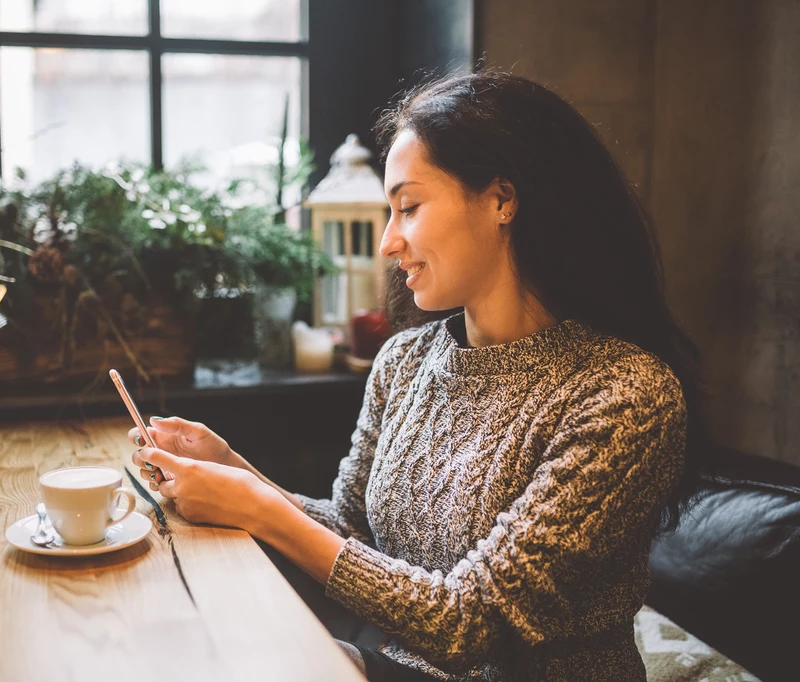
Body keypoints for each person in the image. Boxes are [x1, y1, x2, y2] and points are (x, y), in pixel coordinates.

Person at [128, 69, 704, 681]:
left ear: (501, 200)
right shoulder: (404, 362)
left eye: (409, 207)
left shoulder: (624, 394)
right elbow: (352, 535)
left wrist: (259, 509)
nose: (387, 242)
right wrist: (231, 468)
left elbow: (468, 625)